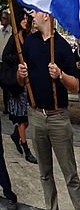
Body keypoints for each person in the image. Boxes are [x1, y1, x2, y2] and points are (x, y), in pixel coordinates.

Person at [12, 10, 80, 210]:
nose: (32, 16)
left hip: (58, 118)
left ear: (47, 16)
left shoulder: (61, 47)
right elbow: (21, 81)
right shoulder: (29, 43)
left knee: (70, 173)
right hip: (36, 115)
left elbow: (76, 86)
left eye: (35, 13)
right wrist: (21, 75)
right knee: (45, 172)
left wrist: (60, 75)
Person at [2, 12, 36, 164]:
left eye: (26, 18)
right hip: (16, 83)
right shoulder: (14, 38)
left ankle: (17, 134)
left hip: (28, 83)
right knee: (22, 118)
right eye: (21, 18)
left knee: (27, 119)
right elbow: (5, 56)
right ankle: (25, 147)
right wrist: (19, 59)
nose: (24, 20)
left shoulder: (30, 39)